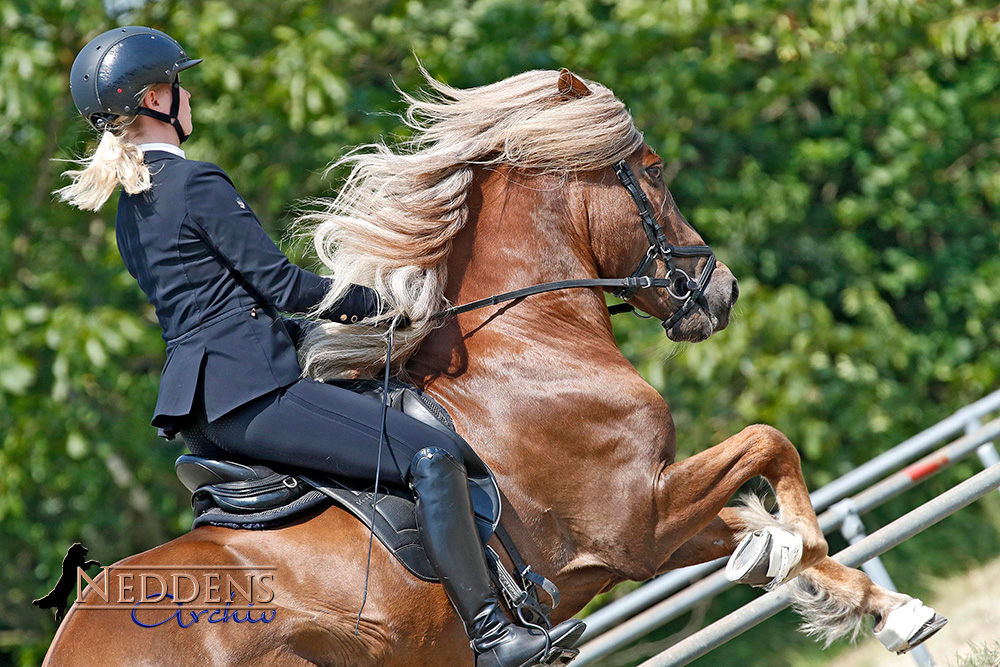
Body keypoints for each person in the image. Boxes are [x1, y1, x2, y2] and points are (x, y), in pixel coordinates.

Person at [59, 26, 584, 667]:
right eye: (180, 84)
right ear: (156, 99)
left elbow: (212, 305)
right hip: (253, 388)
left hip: (203, 403)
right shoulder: (197, 185)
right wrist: (388, 304)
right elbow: (283, 285)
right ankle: (493, 635)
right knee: (432, 454)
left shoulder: (131, 208)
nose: (189, 94)